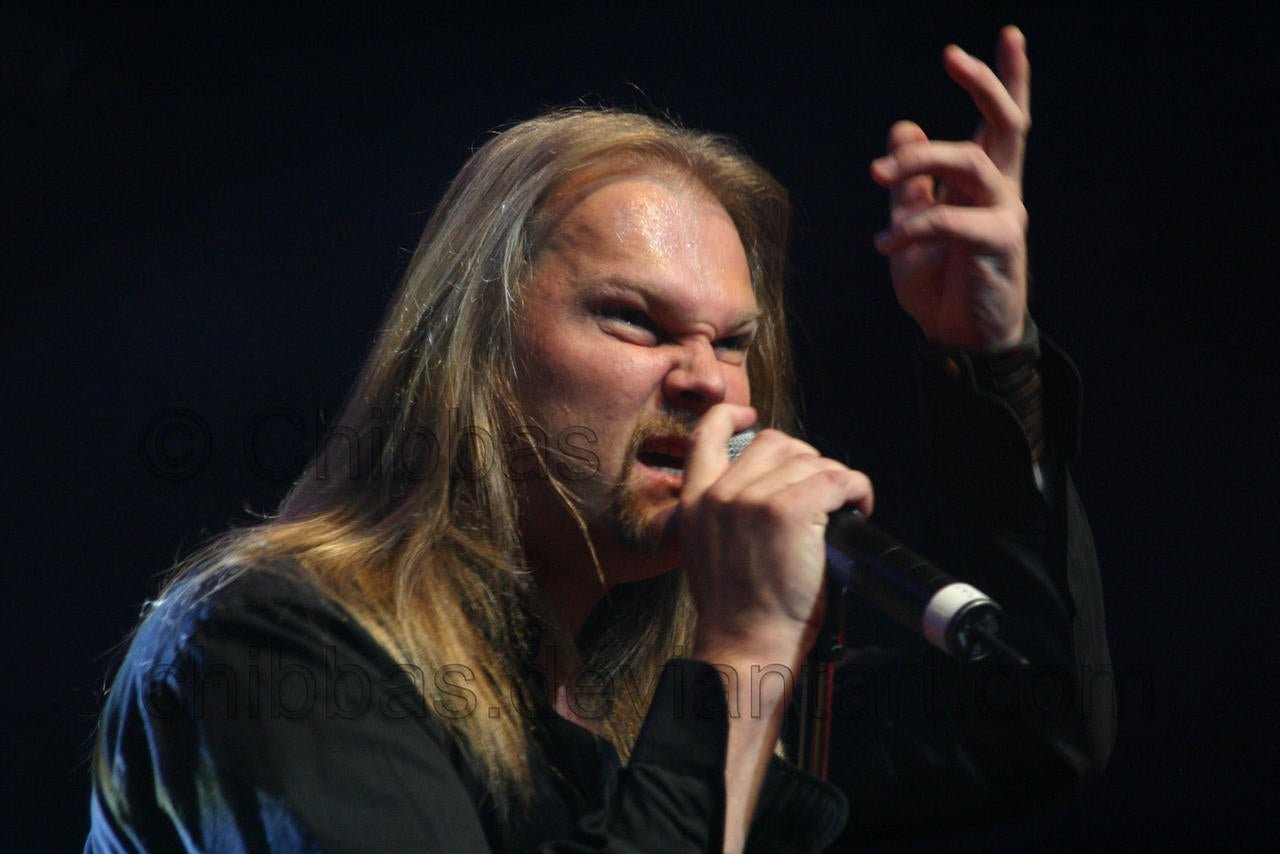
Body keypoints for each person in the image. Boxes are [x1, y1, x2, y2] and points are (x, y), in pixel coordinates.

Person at [88, 26, 1112, 851]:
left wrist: (989, 358)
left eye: (734, 341)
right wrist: (743, 651)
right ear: (477, 354)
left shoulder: (639, 683)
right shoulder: (272, 645)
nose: (707, 380)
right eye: (635, 320)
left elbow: (1030, 720)